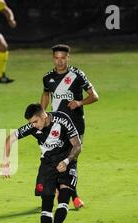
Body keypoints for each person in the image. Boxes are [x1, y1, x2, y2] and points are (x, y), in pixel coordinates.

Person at [1, 103, 82, 223]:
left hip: (67, 160)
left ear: (44, 115)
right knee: (46, 201)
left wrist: (66, 161)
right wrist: (5, 161)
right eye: (30, 122)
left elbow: (77, 145)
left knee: (65, 194)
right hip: (47, 165)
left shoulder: (62, 120)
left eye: (35, 122)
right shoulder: (32, 126)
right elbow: (10, 138)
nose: (33, 125)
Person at [39, 44, 99, 209]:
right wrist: (41, 114)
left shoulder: (77, 75)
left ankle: (68, 193)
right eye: (56, 58)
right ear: (53, 58)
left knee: (72, 157)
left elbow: (94, 96)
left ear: (68, 58)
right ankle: (74, 196)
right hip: (57, 125)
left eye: (63, 58)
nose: (59, 62)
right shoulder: (48, 78)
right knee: (59, 158)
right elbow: (45, 95)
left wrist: (79, 102)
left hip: (76, 123)